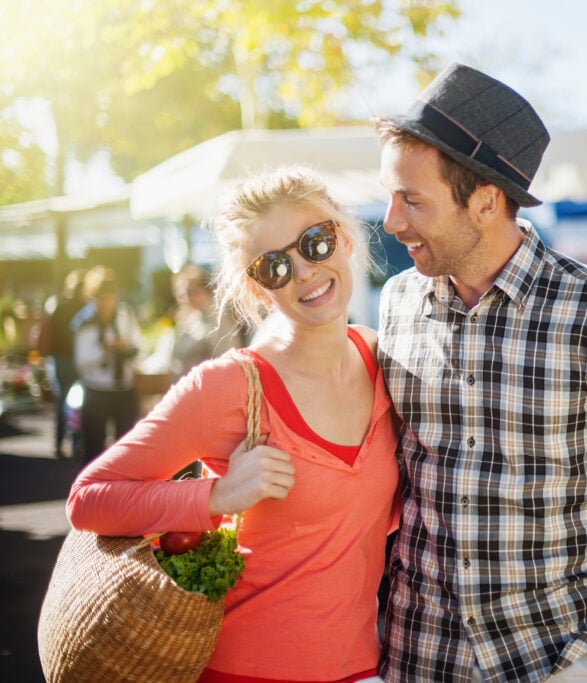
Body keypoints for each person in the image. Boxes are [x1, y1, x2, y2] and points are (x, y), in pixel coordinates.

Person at [374, 63, 587, 682]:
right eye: (390, 196)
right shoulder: (398, 302)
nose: (392, 222)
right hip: (415, 660)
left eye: (412, 200)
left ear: (486, 201)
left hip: (555, 664)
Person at [66, 166, 399, 682]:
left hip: (364, 666)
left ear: (344, 237)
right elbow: (89, 500)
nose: (304, 272)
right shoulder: (227, 387)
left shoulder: (385, 359)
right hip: (244, 671)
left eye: (314, 242)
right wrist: (217, 497)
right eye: (273, 267)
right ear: (258, 289)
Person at [71, 266, 144, 465]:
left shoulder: (124, 315)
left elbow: (138, 347)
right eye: (102, 298)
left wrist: (125, 348)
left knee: (126, 443)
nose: (107, 303)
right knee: (94, 446)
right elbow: (82, 362)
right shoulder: (85, 322)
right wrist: (105, 351)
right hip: (96, 389)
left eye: (111, 297)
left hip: (123, 388)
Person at [37, 268, 87, 457]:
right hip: (73, 360)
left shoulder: (58, 305)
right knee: (77, 403)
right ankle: (75, 442)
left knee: (62, 402)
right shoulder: (83, 309)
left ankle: (59, 443)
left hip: (58, 359)